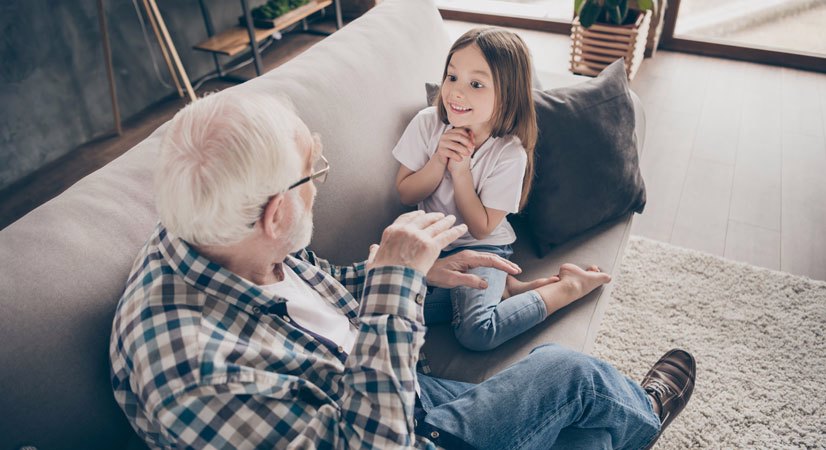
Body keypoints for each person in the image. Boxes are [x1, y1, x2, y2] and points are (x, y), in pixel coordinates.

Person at [110, 92, 695, 449]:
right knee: (568, 375)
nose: (320, 182)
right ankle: (647, 412)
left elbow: (304, 295)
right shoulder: (194, 372)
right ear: (278, 212)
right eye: (313, 174)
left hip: (381, 385)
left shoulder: (210, 231)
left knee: (572, 428)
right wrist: (393, 287)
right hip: (385, 426)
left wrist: (420, 276)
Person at [393, 27, 611, 351]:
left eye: (476, 84)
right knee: (392, 308)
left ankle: (566, 288)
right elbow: (406, 193)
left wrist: (461, 171)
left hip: (485, 249)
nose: (456, 92)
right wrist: (438, 159)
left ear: (506, 95)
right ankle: (502, 291)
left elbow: (481, 229)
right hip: (434, 248)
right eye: (452, 77)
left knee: (476, 332)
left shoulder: (509, 153)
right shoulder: (427, 123)